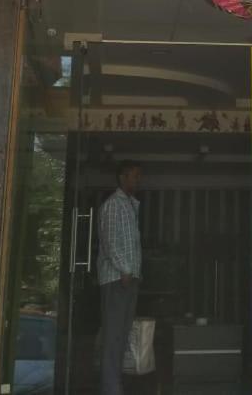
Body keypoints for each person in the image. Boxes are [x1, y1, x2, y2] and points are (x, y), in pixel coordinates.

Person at [97, 160, 142, 395]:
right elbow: (110, 242)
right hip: (117, 279)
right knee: (114, 336)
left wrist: (134, 273)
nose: (138, 180)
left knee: (121, 336)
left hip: (128, 278)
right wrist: (125, 270)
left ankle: (115, 385)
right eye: (134, 176)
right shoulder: (113, 205)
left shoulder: (130, 205)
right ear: (122, 177)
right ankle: (111, 389)